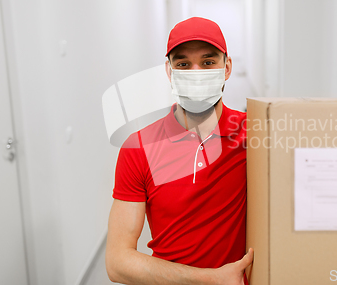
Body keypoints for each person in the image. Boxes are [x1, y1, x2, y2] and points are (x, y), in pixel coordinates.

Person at [105, 17, 253, 285]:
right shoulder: (139, 147)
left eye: (208, 63)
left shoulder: (254, 137)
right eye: (184, 64)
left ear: (227, 67)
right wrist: (210, 279)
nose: (196, 73)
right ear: (169, 71)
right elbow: (117, 262)